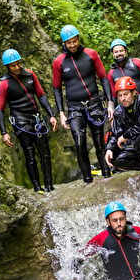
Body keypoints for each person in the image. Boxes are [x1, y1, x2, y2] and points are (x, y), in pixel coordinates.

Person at [53, 25, 115, 183]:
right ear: (64, 43)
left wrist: (110, 103)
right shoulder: (59, 62)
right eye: (68, 43)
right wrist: (61, 113)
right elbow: (57, 89)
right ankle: (88, 180)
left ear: (78, 39)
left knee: (99, 143)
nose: (72, 45)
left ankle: (107, 175)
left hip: (94, 103)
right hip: (74, 108)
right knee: (79, 143)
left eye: (74, 41)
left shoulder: (91, 54)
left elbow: (103, 79)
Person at [0, 49, 57, 194]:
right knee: (30, 156)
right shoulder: (4, 84)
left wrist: (51, 115)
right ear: (7, 67)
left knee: (45, 154)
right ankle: (37, 188)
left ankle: (49, 186)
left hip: (37, 119)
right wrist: (4, 133)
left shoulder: (30, 74)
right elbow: (0, 109)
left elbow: (41, 95)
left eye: (18, 64)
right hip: (21, 123)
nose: (17, 67)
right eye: (13, 66)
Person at [108, 39, 140, 107]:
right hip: (128, 106)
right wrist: (114, 110)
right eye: (116, 52)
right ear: (113, 54)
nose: (119, 53)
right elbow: (114, 95)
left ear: (126, 51)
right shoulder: (111, 73)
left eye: (121, 51)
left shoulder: (137, 62)